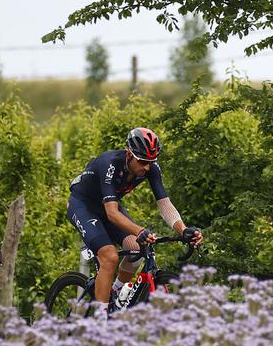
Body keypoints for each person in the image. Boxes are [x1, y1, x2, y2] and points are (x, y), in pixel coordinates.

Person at [66, 127, 202, 312]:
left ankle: (116, 292)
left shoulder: (150, 168)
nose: (146, 167)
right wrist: (139, 230)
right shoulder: (110, 164)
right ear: (129, 154)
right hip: (84, 206)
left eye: (150, 162)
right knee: (110, 256)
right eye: (142, 161)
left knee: (137, 248)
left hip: (109, 206)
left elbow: (164, 204)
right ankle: (100, 324)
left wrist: (183, 229)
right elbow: (112, 213)